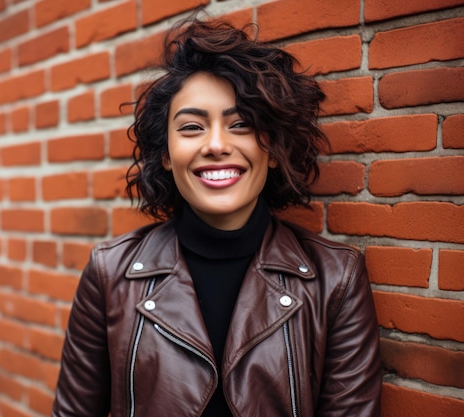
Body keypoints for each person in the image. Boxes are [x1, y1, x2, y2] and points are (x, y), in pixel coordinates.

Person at [52, 16, 382, 417]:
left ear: (273, 149)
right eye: (191, 127)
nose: (216, 145)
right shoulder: (109, 274)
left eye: (241, 124)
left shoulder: (337, 279)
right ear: (166, 154)